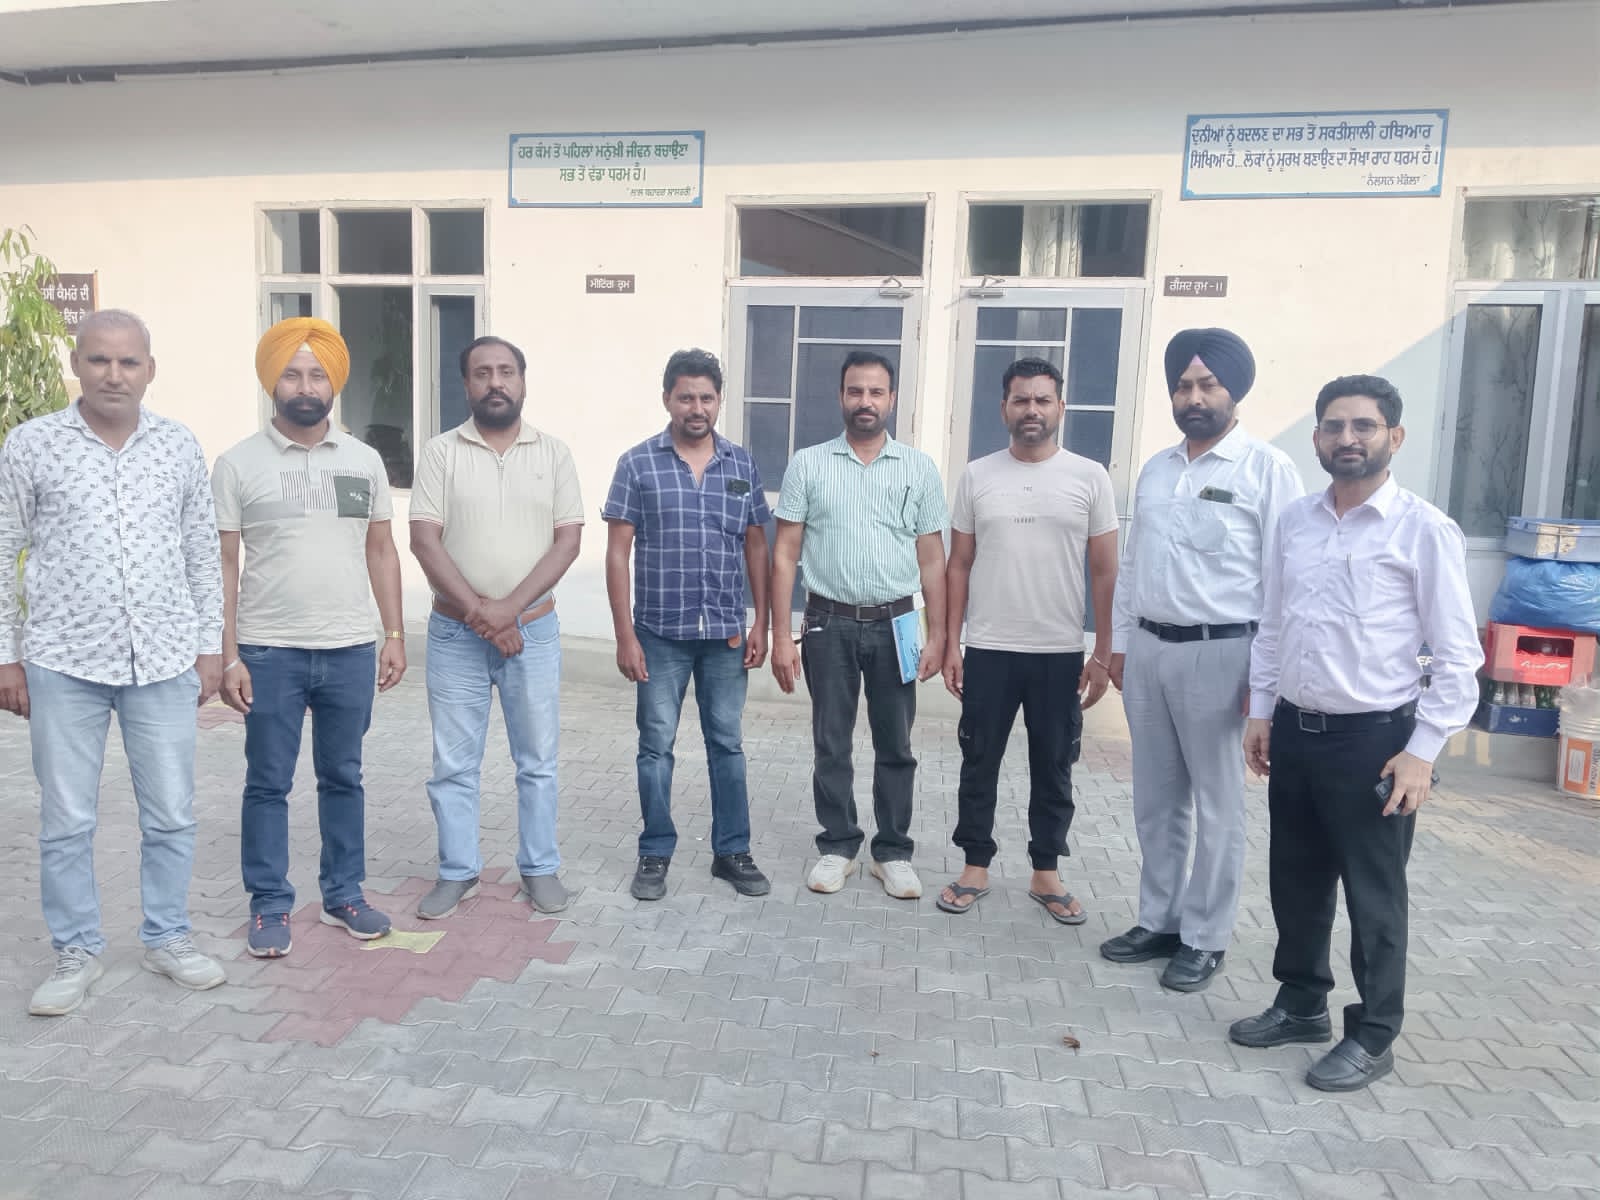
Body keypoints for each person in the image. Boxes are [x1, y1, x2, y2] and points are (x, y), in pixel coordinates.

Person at [1232, 373, 1481, 1091]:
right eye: (1335, 426)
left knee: (1374, 896)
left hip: (1376, 743)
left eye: (1364, 426)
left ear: (1394, 437)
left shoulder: (1424, 530)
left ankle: (1373, 1034)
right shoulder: (1296, 523)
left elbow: (1458, 657)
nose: (1348, 438)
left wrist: (1421, 753)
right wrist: (1261, 712)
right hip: (1296, 731)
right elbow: (1273, 625)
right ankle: (1301, 1002)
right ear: (1317, 438)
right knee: (1296, 879)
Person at [0, 309, 226, 1015]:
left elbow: (202, 552)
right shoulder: (31, 444)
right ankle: (76, 951)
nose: (114, 375)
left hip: (162, 660)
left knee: (172, 814)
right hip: (62, 661)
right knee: (67, 819)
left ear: (150, 369)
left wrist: (211, 647)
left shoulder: (178, 445)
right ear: (76, 364)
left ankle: (167, 937)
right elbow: (3, 551)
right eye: (99, 360)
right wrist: (6, 656)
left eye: (129, 362)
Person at [1100, 328, 1303, 992]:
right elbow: (1133, 566)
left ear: (1233, 390)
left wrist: (1266, 684)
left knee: (1218, 804)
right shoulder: (1158, 469)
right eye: (1183, 386)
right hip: (1150, 651)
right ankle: (1158, 920)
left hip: (1224, 654)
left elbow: (1284, 582)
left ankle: (1205, 936)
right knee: (1156, 799)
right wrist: (1120, 644)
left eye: (1208, 384)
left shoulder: (1266, 470)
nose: (1194, 397)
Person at [213, 317, 407, 958]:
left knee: (344, 777)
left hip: (350, 646)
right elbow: (224, 565)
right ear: (273, 381)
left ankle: (344, 894)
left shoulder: (363, 460)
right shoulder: (238, 464)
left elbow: (381, 551)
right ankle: (269, 903)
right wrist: (229, 654)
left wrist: (393, 633)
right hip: (269, 650)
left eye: (317, 374)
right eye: (293, 374)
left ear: (334, 383)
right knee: (268, 783)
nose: (305, 386)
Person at [938, 358, 1119, 924]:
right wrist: (951, 643)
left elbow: (1105, 571)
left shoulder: (1090, 477)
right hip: (989, 647)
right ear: (1004, 409)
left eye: (1043, 400)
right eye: (1021, 400)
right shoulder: (977, 476)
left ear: (1060, 408)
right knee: (978, 760)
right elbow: (958, 563)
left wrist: (1102, 651)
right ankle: (974, 865)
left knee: (1055, 765)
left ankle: (1046, 871)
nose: (1032, 410)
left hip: (1058, 652)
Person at [409, 336, 583, 918]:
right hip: (455, 636)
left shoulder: (554, 454)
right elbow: (424, 540)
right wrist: (485, 616)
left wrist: (508, 610)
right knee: (454, 765)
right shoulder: (441, 453)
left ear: (523, 380)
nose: (496, 383)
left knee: (536, 761)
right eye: (482, 373)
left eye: (506, 371)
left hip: (533, 632)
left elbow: (568, 542)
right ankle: (457, 871)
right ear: (466, 384)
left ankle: (540, 867)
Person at [769, 350, 948, 899]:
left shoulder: (918, 468)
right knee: (831, 741)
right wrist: (781, 635)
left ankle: (892, 852)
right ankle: (839, 844)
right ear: (841, 397)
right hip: (828, 623)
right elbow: (785, 555)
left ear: (891, 399)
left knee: (896, 743)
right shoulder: (808, 464)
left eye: (875, 392)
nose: (864, 401)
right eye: (855, 391)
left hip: (897, 624)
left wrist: (939, 635)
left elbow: (932, 560)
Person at [602, 349, 772, 901]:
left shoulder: (741, 465)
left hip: (724, 635)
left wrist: (762, 623)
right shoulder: (637, 464)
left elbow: (756, 546)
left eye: (706, 398)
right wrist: (625, 635)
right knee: (656, 746)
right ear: (667, 400)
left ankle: (732, 852)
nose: (696, 408)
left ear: (719, 401)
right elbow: (617, 553)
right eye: (685, 397)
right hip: (659, 635)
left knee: (727, 744)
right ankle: (654, 852)